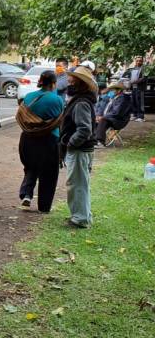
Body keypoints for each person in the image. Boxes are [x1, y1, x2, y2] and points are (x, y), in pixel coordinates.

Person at [16, 71, 64, 212]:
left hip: (27, 139)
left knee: (31, 167)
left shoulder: (29, 96)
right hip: (49, 140)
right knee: (49, 174)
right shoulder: (57, 100)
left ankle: (26, 194)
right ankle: (44, 206)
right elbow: (60, 120)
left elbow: (22, 114)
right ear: (54, 84)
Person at [60, 66, 98, 228]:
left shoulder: (81, 102)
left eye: (72, 79)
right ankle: (83, 216)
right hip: (82, 149)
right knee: (80, 183)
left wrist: (70, 143)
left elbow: (84, 129)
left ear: (79, 83)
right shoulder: (81, 99)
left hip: (80, 150)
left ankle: (80, 219)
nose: (69, 81)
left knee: (78, 184)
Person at [95, 81, 132, 147]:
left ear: (119, 90)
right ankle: (93, 140)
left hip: (118, 120)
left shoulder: (123, 99)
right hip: (111, 119)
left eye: (113, 90)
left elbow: (117, 112)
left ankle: (100, 142)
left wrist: (103, 117)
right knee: (94, 121)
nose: (111, 91)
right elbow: (105, 110)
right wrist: (99, 116)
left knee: (103, 120)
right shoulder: (114, 98)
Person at [129, 56, 146, 122]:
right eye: (137, 61)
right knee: (134, 102)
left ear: (142, 62)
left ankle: (141, 117)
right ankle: (135, 115)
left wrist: (134, 81)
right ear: (135, 61)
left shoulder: (144, 69)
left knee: (140, 102)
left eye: (140, 61)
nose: (138, 62)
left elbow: (144, 78)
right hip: (133, 87)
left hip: (140, 88)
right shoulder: (134, 69)